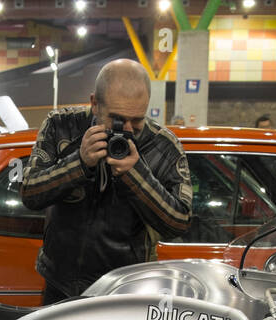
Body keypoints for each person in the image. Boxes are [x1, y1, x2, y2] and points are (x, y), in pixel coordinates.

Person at [20, 59, 192, 305]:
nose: (128, 130)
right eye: (118, 119)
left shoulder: (163, 146)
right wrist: (79, 162)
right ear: (94, 104)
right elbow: (30, 193)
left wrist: (134, 174)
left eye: (138, 120)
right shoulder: (62, 126)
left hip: (126, 289)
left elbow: (179, 223)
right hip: (61, 283)